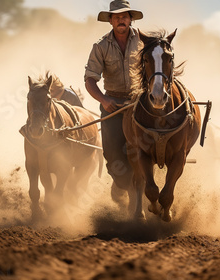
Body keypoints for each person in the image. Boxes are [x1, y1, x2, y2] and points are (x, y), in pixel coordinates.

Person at [84, 0, 143, 202]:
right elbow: (90, 80)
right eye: (116, 16)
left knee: (151, 145)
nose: (121, 20)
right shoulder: (100, 46)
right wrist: (104, 99)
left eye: (124, 16)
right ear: (110, 20)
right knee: (112, 154)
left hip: (140, 104)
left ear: (131, 19)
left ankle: (147, 187)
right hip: (114, 105)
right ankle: (123, 185)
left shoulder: (145, 42)